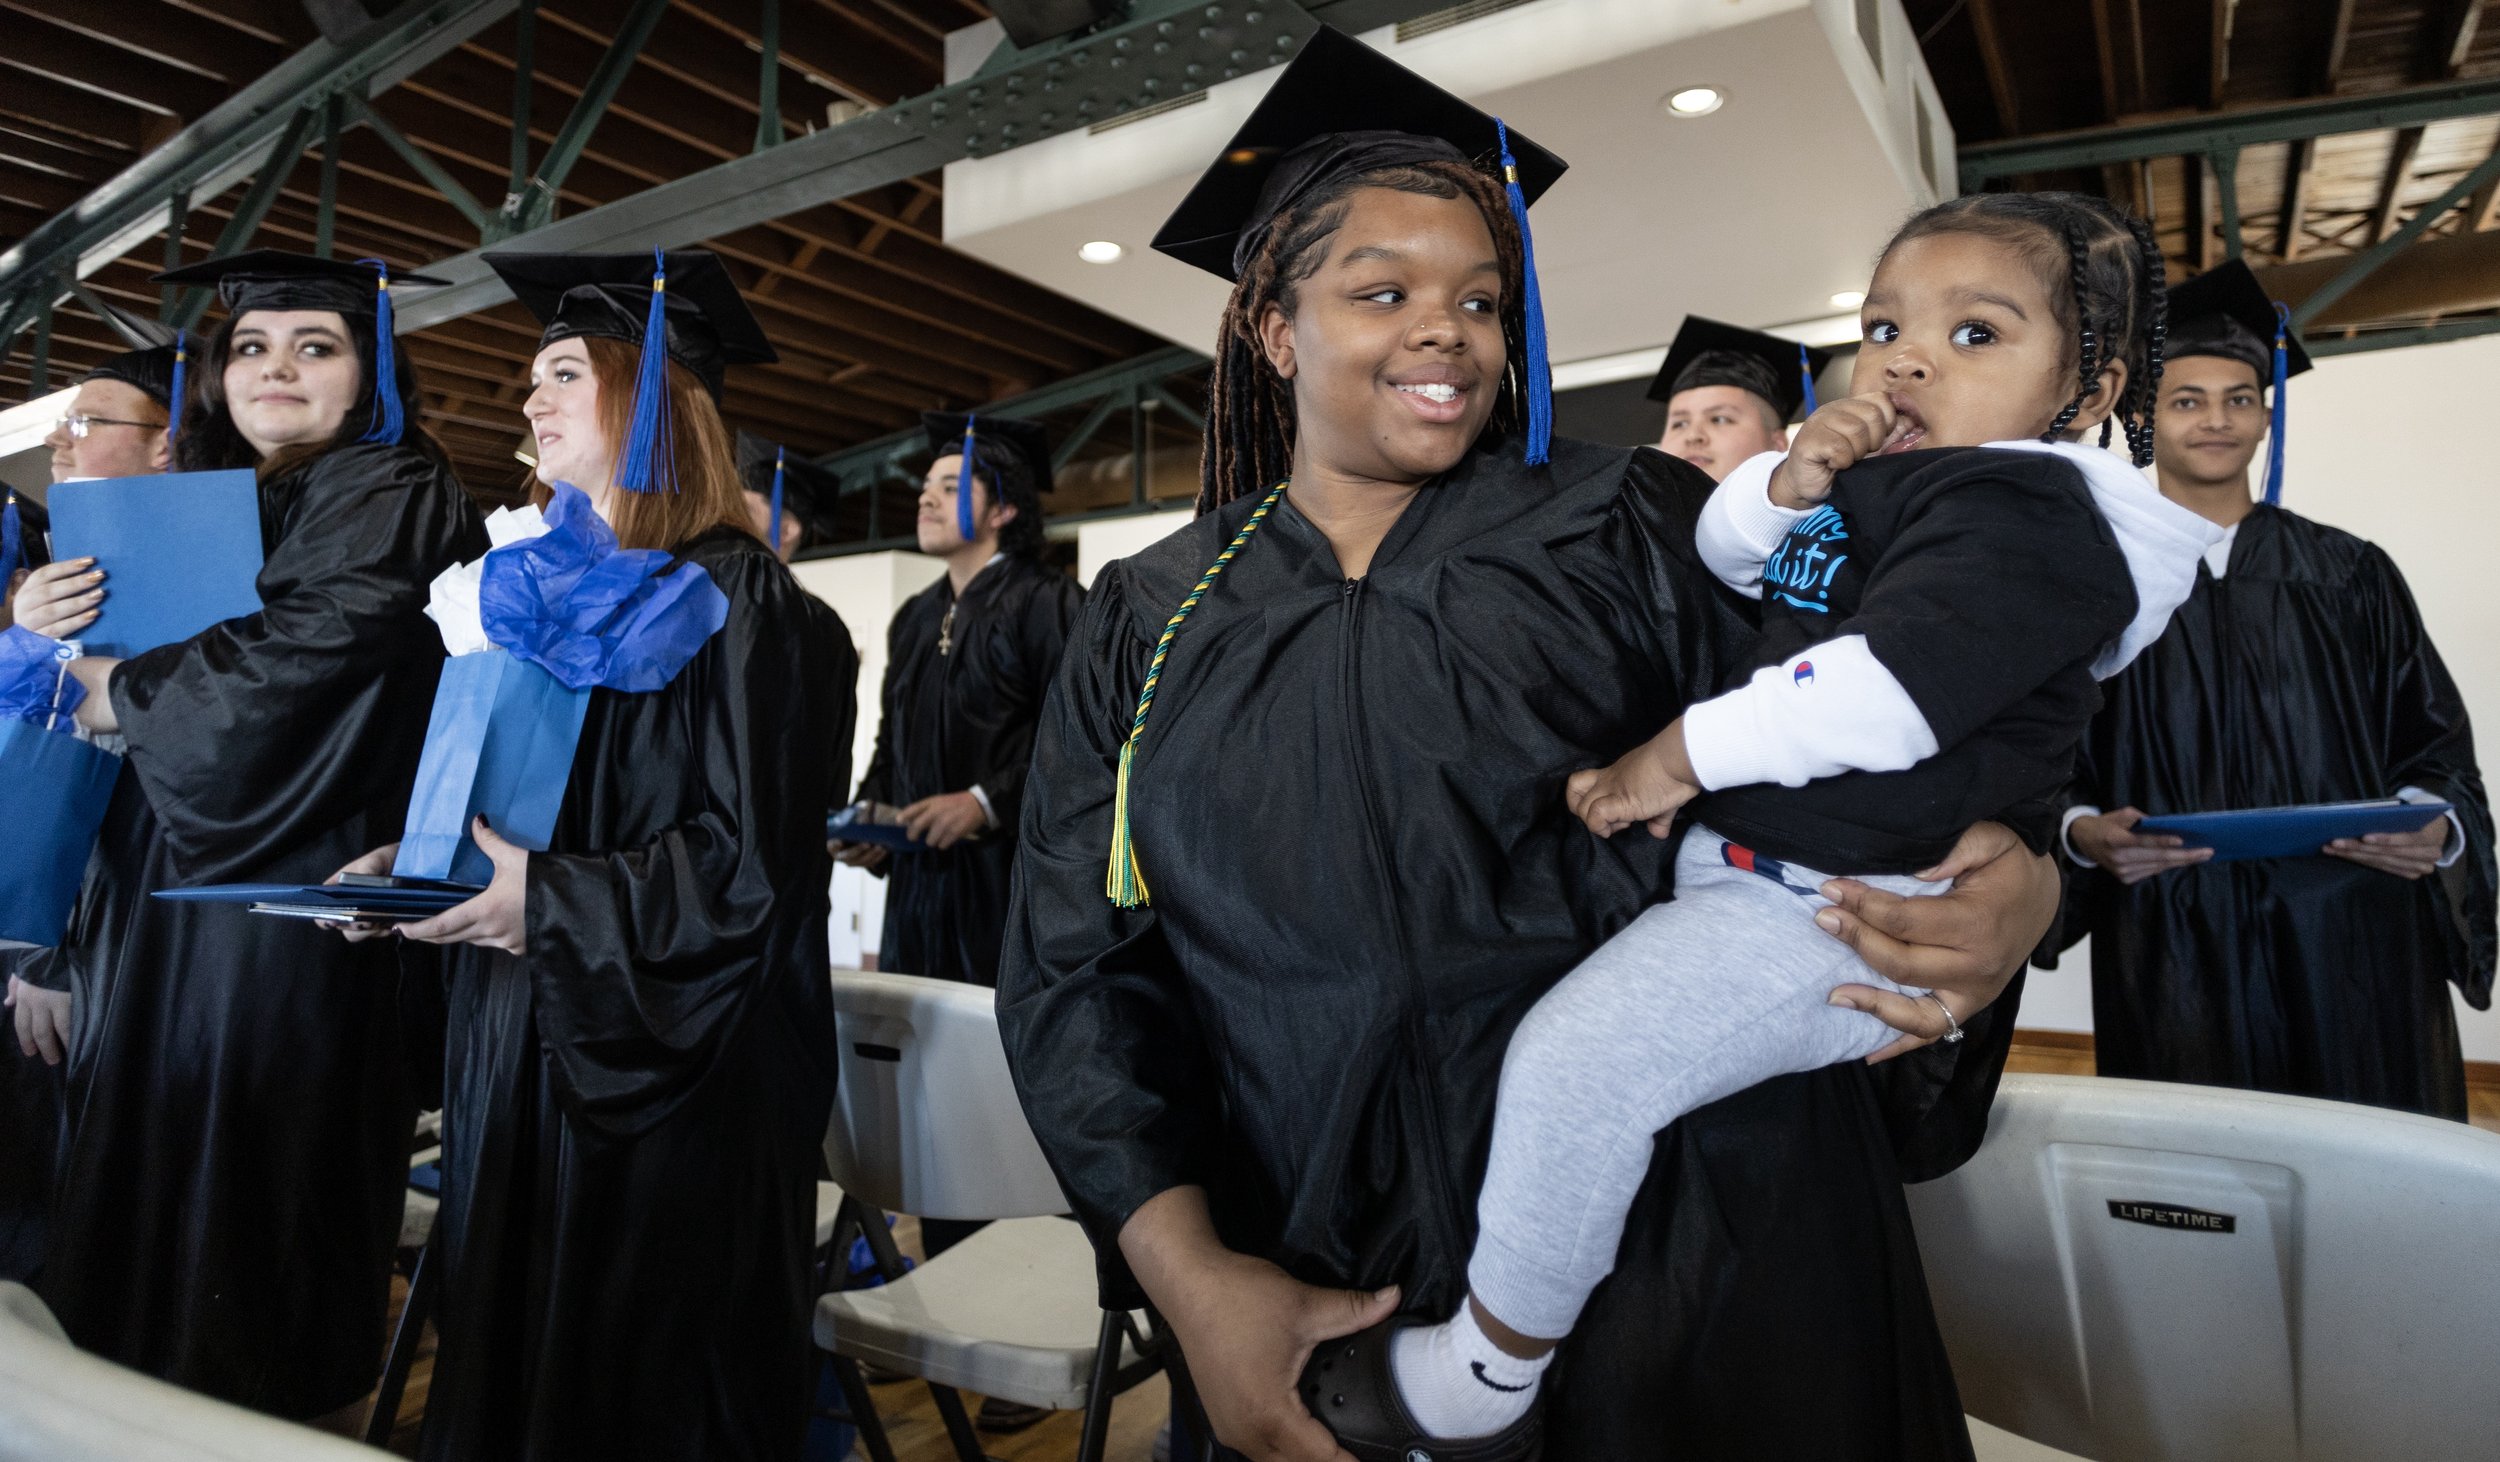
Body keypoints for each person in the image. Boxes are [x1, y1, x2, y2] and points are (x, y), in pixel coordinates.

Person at [997, 26, 2060, 1462]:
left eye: (1481, 300)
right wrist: (1194, 1286)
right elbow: (1077, 967)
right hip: (1310, 1259)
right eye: (1383, 292)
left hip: (1695, 1248)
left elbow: (1883, 729)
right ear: (1273, 329)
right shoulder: (1147, 612)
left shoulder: (1624, 523)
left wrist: (2026, 888)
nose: (1449, 330)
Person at [1367, 191, 2218, 1448]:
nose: (1909, 356)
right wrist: (1787, 477)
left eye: (1975, 335)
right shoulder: (1889, 489)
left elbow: (1880, 695)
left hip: (1826, 902)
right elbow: (1732, 555)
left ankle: (1485, 1371)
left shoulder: (2017, 512)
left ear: (2085, 392)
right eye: (1882, 327)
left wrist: (1669, 757)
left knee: (1578, 1065)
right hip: (1760, 876)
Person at [342, 248, 849, 1462]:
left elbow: (751, 874)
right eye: (528, 377)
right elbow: (526, 813)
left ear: (654, 392)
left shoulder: (754, 609)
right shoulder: (537, 596)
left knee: (638, 1388)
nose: (528, 398)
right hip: (520, 1036)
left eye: (562, 370)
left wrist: (545, 900)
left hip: (669, 1079)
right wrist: (417, 871)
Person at [7, 251, 482, 1422]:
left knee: (254, 1224)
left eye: (315, 347)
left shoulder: (390, 485)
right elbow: (93, 732)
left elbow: (311, 651)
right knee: (133, 1205)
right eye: (251, 348)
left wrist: (114, 688)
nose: (276, 369)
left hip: (293, 902)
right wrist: (39, 635)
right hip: (158, 904)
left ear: (369, 371)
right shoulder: (208, 502)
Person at [2056, 259, 2496, 1117]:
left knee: (2372, 1166)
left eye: (2239, 397)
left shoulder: (2349, 572)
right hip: (2176, 926)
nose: (2217, 419)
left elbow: (2437, 746)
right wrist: (2079, 834)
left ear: (2267, 414)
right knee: (2202, 1179)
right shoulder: (2097, 583)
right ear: (2144, 414)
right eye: (2187, 399)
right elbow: (2046, 755)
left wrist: (2438, 832)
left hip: (2353, 924)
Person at [2, 338, 180, 1284]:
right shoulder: (61, 566)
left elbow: (103, 773)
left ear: (167, 445)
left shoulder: (158, 575)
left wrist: (49, 950)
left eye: (85, 423)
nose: (59, 445)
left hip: (92, 944)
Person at [837, 411, 1082, 990]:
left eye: (951, 488)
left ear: (1004, 509)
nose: (925, 500)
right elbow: (890, 739)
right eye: (925, 488)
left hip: (1004, 889)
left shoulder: (1051, 603)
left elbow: (1087, 743)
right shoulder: (915, 616)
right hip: (916, 894)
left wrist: (984, 802)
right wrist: (870, 815)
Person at [738, 432, 863, 816]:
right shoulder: (710, 597)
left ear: (787, 529)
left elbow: (832, 755)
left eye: (742, 505)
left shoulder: (822, 629)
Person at [1647, 315, 1828, 481]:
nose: (1693, 436)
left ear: (1777, 444)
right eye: (1679, 424)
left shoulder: (1829, 515)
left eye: (1719, 419)